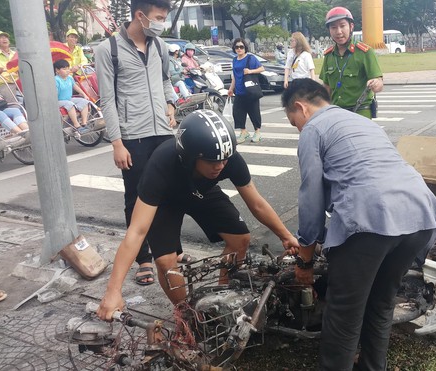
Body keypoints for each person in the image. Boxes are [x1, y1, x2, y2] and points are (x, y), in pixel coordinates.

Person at [281, 78, 436, 370]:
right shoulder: (362, 122)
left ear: (300, 107)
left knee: (344, 314)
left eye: (295, 123)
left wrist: (305, 260)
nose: (298, 129)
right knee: (380, 304)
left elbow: (311, 197)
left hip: (370, 220)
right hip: (419, 214)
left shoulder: (313, 129)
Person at [96, 109, 299, 320]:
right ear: (191, 156)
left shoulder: (226, 158)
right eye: (212, 161)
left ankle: (224, 300)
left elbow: (256, 203)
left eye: (224, 160)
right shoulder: (161, 164)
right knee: (166, 261)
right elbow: (137, 231)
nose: (220, 166)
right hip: (166, 202)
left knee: (241, 239)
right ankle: (187, 316)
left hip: (201, 191)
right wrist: (113, 290)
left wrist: (286, 236)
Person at [95, 0, 178, 286]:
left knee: (168, 195)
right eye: (158, 17)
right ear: (140, 15)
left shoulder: (160, 46)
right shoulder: (108, 50)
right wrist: (117, 143)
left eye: (164, 18)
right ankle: (143, 258)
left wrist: (170, 104)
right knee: (137, 197)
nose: (161, 23)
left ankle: (170, 252)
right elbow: (107, 100)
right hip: (133, 137)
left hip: (163, 133)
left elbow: (166, 80)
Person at [319, 6, 383, 119]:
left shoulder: (365, 53)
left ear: (351, 26)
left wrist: (376, 83)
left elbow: (379, 83)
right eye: (333, 27)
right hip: (336, 112)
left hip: (361, 111)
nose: (338, 32)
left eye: (342, 26)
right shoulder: (329, 56)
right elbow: (326, 87)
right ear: (329, 30)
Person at [227, 38, 264, 144]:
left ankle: (257, 132)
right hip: (239, 91)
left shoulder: (250, 58)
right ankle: (243, 132)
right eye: (237, 47)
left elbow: (262, 68)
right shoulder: (234, 60)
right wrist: (231, 88)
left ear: (245, 48)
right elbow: (234, 75)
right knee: (237, 112)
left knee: (254, 111)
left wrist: (250, 71)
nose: (239, 49)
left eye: (241, 47)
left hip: (250, 90)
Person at [54, 59, 91, 134]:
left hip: (68, 99)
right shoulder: (55, 80)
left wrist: (84, 94)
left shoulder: (70, 78)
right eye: (64, 69)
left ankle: (84, 124)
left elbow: (75, 87)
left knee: (84, 101)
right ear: (57, 70)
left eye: (68, 68)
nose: (67, 70)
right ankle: (77, 126)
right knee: (69, 104)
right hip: (58, 101)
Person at [0, 31, 18, 103]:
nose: (4, 39)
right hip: (3, 83)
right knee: (14, 103)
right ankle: (16, 112)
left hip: (17, 82)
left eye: (6, 37)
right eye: (1, 37)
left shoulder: (15, 54)